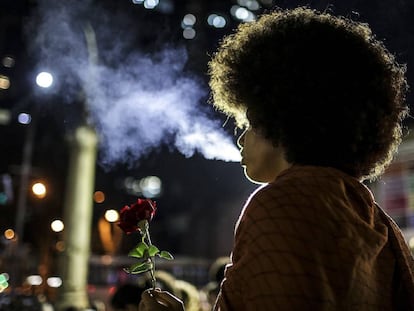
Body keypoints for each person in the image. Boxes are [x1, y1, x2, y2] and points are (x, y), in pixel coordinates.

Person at [139, 6, 414, 310]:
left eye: (250, 125)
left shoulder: (279, 203)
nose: (242, 139)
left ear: (283, 120)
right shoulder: (374, 219)